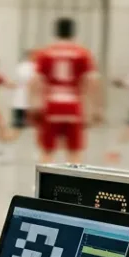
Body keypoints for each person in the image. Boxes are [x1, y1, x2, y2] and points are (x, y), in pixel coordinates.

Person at [32, 17, 101, 164]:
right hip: (73, 103)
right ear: (74, 32)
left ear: (55, 32)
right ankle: (76, 184)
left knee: (47, 150)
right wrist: (94, 109)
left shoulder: (45, 53)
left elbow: (36, 81)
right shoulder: (82, 53)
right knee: (74, 151)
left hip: (51, 103)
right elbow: (91, 82)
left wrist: (35, 104)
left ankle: (42, 184)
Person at [10, 49, 37, 141]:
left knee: (34, 129)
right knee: (18, 128)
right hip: (22, 103)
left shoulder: (21, 67)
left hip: (29, 104)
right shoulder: (24, 67)